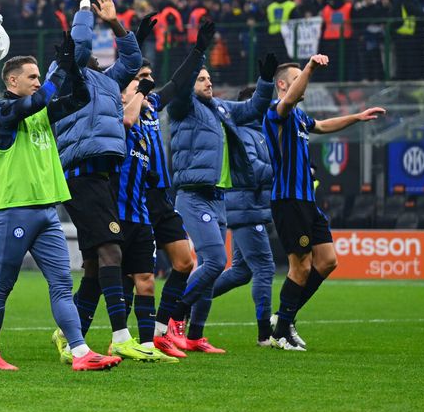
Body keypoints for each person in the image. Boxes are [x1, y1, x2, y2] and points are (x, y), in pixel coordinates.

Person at [0, 42, 120, 372]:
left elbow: (81, 99)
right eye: (32, 77)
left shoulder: (40, 111)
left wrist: (74, 70)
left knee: (62, 284)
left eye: (39, 76)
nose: (37, 81)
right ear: (12, 81)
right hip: (15, 209)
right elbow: (41, 99)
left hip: (46, 211)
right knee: (3, 283)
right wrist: (59, 68)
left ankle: (80, 351)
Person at [160, 43, 274, 355]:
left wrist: (265, 82)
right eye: (201, 79)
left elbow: (253, 109)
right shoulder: (183, 107)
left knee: (209, 272)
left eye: (209, 78)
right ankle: (174, 315)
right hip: (193, 196)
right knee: (215, 261)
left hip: (218, 197)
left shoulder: (221, 108)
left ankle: (195, 336)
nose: (208, 82)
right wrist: (197, 55)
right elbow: (181, 89)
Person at [50, 0, 143, 360]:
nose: (94, 53)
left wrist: (115, 22)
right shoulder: (66, 76)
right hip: (81, 173)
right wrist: (85, 5)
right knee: (111, 251)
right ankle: (121, 336)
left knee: (93, 265)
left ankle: (69, 335)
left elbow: (133, 62)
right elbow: (82, 45)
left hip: (101, 176)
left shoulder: (105, 81)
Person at [263, 57, 385, 350]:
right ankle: (282, 331)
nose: (303, 84)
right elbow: (288, 101)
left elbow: (323, 125)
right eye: (297, 79)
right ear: (282, 84)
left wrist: (356, 117)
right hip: (289, 200)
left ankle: (284, 318)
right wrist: (310, 67)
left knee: (328, 260)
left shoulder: (300, 117)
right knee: (301, 266)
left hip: (307, 201)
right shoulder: (276, 111)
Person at [130, 50, 200, 359]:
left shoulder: (153, 105)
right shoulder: (122, 111)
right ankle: (118, 335)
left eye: (149, 76)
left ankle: (160, 333)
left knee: (184, 262)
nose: (148, 81)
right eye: (141, 77)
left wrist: (198, 51)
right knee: (130, 276)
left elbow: (177, 82)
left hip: (162, 198)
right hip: (136, 198)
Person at [109, 59, 176, 363]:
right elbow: (127, 118)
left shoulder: (144, 135)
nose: (143, 88)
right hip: (118, 217)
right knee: (109, 282)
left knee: (146, 279)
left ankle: (148, 345)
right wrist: (137, 94)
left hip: (142, 216)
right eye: (136, 84)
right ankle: (108, 339)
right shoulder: (117, 121)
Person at [212, 85, 277, 346]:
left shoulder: (257, 133)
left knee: (241, 271)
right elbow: (252, 168)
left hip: (247, 208)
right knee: (265, 267)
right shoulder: (245, 133)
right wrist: (280, 170)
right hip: (246, 209)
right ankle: (264, 333)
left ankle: (185, 303)